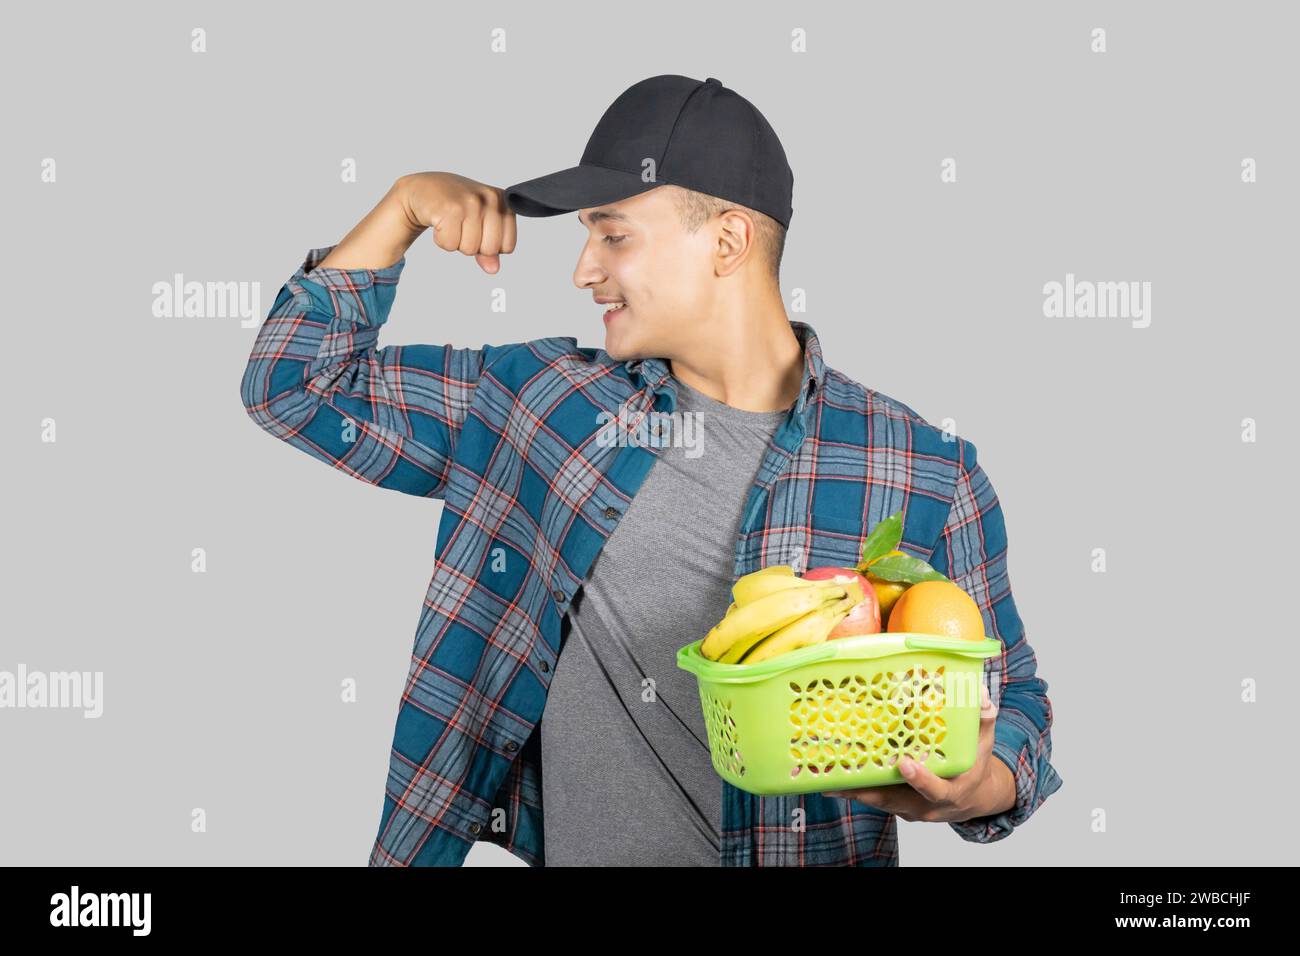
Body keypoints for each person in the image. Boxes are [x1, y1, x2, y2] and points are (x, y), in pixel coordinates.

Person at [239, 74, 1062, 866]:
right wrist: (403, 207)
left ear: (729, 240)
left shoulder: (921, 469)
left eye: (614, 234)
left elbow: (1015, 699)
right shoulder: (543, 405)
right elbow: (294, 386)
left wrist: (979, 787)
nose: (584, 269)